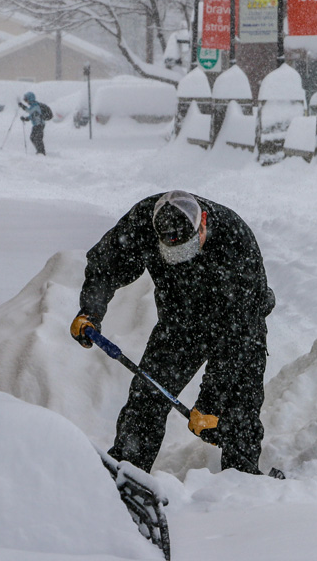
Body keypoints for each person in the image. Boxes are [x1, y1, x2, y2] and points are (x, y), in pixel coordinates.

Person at [69, 191, 274, 475]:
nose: (183, 261)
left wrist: (210, 402)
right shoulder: (143, 222)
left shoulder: (235, 240)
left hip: (241, 325)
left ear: (202, 222)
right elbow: (107, 265)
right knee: (147, 398)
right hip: (180, 323)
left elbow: (236, 336)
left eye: (189, 249)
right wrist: (90, 310)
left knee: (238, 406)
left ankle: (243, 480)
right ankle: (127, 474)